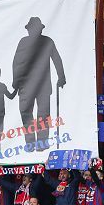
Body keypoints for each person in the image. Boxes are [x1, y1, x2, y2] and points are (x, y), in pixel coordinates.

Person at [11, 16, 65, 147]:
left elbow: (56, 59)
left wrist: (61, 76)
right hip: (32, 85)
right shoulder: (31, 42)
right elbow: (16, 63)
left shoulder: (44, 42)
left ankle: (38, 142)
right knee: (34, 114)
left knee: (36, 114)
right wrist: (61, 77)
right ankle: (35, 142)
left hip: (36, 85)